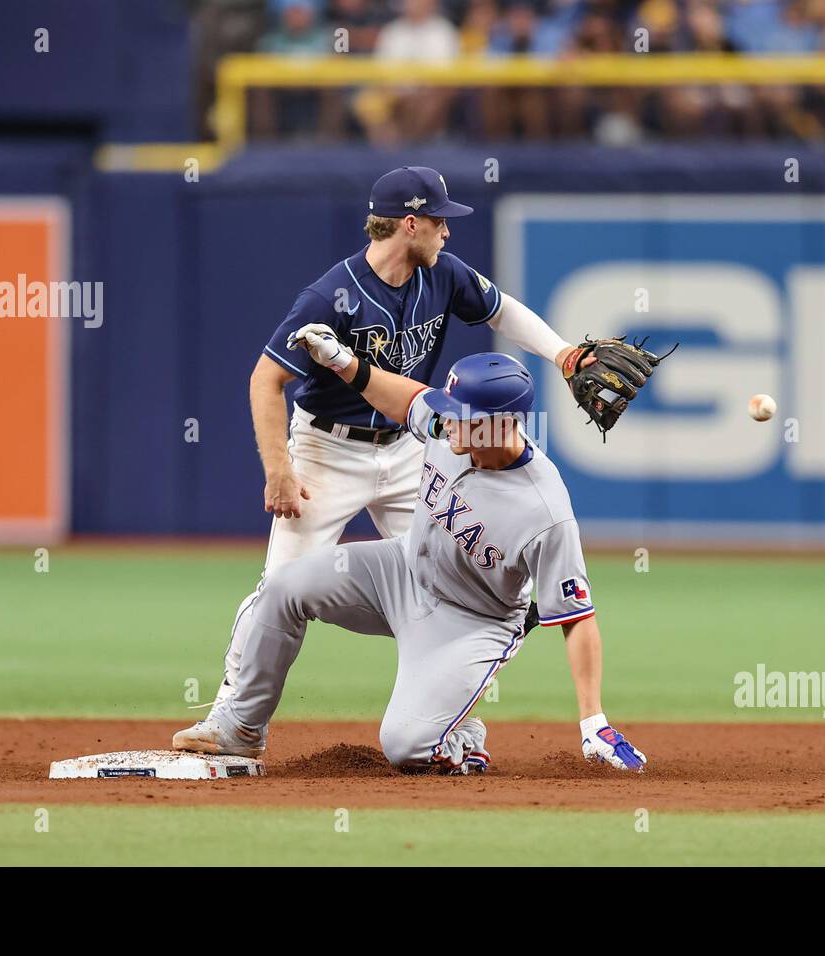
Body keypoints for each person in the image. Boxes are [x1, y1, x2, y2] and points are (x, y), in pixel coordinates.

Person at [208, 166, 589, 717]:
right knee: (281, 587)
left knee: (460, 583)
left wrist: (562, 354)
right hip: (328, 451)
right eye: (439, 220)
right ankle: (231, 718)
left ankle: (451, 721)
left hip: (411, 447)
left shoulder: (444, 275)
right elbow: (266, 379)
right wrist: (278, 470)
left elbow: (502, 310)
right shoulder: (330, 297)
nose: (447, 231)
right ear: (409, 224)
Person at [175, 334, 647, 774]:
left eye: (461, 414)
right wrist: (344, 362)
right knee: (284, 587)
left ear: (501, 424)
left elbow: (577, 617)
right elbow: (404, 398)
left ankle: (462, 736)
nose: (448, 420)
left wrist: (593, 721)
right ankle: (241, 728)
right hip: (399, 572)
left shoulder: (545, 511)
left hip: (470, 623)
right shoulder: (454, 428)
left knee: (405, 747)